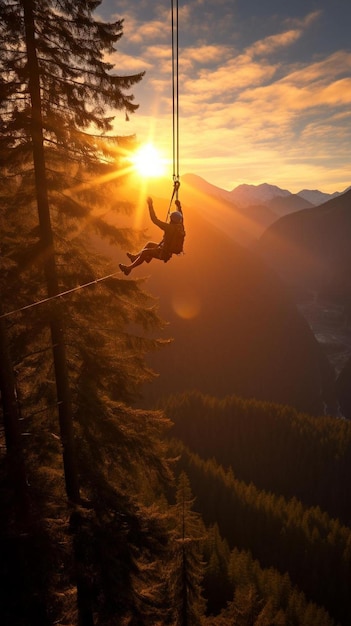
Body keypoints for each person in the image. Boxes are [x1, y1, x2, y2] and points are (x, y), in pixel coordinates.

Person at [119, 196, 185, 276]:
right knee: (149, 244)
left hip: (163, 253)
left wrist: (150, 205)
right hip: (166, 251)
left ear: (171, 219)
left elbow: (154, 219)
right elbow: (181, 216)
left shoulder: (169, 228)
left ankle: (129, 269)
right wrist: (178, 206)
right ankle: (135, 258)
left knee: (145, 252)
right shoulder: (180, 226)